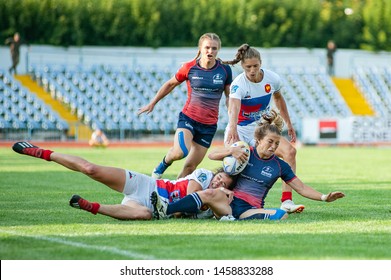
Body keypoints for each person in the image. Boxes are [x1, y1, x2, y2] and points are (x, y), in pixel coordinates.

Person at [152, 110, 345, 221]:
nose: (273, 146)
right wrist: (230, 151)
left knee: (282, 216)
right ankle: (167, 210)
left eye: (277, 144)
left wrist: (324, 197)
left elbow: (301, 187)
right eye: (270, 142)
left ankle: (229, 218)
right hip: (227, 202)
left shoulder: (280, 166)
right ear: (258, 140)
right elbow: (212, 154)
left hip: (249, 209)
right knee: (210, 194)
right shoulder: (244, 152)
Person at [11, 141, 236, 220]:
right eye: (219, 178)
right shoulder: (204, 175)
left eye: (224, 185)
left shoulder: (211, 204)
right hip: (147, 186)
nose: (218, 184)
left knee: (144, 215)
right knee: (91, 169)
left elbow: (219, 213)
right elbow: (189, 197)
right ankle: (44, 153)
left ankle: (93, 208)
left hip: (151, 208)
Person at [138, 32, 232, 179]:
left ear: (218, 50)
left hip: (209, 126)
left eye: (214, 48)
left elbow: (229, 97)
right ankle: (163, 164)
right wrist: (153, 103)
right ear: (200, 48)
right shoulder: (189, 68)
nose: (210, 51)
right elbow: (170, 84)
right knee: (180, 152)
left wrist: (233, 115)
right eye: (207, 47)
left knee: (190, 167)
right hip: (189, 119)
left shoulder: (225, 70)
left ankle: (175, 193)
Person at [221, 44, 303, 213]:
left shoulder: (272, 78)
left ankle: (286, 201)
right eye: (248, 67)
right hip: (240, 129)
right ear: (242, 66)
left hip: (262, 129)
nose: (252, 70)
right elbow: (234, 108)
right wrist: (233, 129)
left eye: (255, 66)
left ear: (261, 63)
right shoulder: (239, 84)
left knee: (290, 152)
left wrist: (289, 124)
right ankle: (219, 201)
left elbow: (279, 100)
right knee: (234, 169)